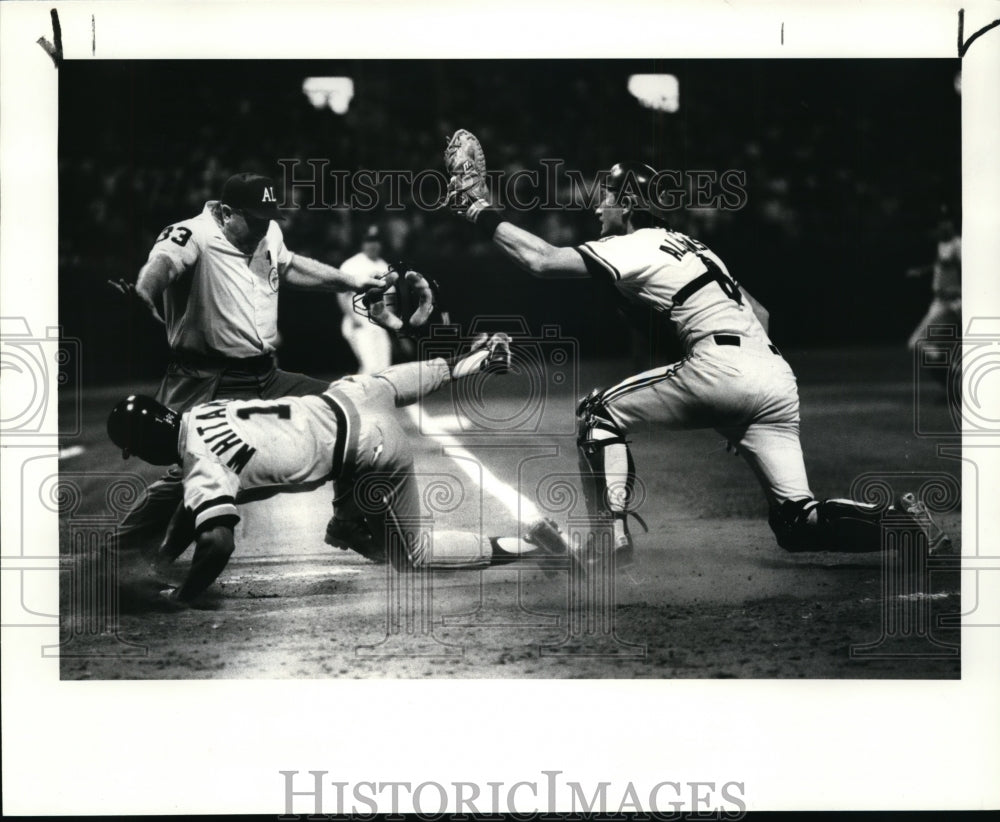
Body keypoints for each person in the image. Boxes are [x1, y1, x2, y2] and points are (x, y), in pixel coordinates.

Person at [444, 149, 951, 568]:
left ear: (628, 202)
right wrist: (737, 406)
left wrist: (477, 210)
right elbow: (764, 314)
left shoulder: (637, 243)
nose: (599, 207)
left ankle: (609, 541)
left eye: (606, 197)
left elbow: (541, 260)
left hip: (722, 367)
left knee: (596, 414)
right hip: (774, 377)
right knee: (797, 522)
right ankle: (904, 527)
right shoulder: (698, 248)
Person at [106, 333, 569, 605]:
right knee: (384, 383)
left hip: (368, 452)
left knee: (409, 554)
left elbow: (217, 540)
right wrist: (164, 557)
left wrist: (184, 594)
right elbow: (195, 508)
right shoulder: (207, 411)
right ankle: (473, 361)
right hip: (352, 395)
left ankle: (529, 545)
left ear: (146, 444)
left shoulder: (201, 466)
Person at [108, 172, 386, 562]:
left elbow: (290, 267)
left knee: (348, 411)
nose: (262, 227)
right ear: (225, 212)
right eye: (253, 219)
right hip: (207, 378)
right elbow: (162, 265)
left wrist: (352, 282)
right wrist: (144, 293)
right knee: (197, 472)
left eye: (267, 218)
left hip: (264, 375)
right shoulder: (194, 234)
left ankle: (347, 518)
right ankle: (119, 557)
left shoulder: (267, 231)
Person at [906, 217, 962, 383]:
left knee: (918, 342)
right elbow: (940, 264)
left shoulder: (959, 245)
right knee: (920, 344)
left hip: (955, 302)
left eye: (945, 222)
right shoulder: (943, 244)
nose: (942, 227)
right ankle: (956, 377)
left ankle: (958, 375)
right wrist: (922, 271)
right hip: (941, 302)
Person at [336, 225, 393, 374]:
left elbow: (389, 299)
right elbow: (342, 295)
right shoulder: (351, 264)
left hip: (378, 324)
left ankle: (355, 393)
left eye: (376, 240)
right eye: (369, 240)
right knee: (371, 367)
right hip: (359, 323)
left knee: (383, 369)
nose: (373, 244)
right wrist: (352, 318)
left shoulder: (384, 266)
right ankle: (352, 393)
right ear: (362, 243)